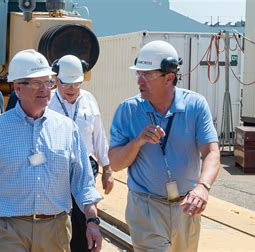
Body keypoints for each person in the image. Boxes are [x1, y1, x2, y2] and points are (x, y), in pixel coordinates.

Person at [0, 49, 103, 252]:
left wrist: (92, 221)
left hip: (55, 232)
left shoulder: (67, 129)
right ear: (18, 88)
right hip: (8, 230)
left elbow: (84, 183)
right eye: (36, 83)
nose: (45, 89)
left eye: (47, 82)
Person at [108, 40, 220, 252]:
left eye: (147, 75)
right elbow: (114, 163)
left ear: (169, 77)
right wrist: (138, 141)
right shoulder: (128, 110)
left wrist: (202, 187)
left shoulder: (195, 106)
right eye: (138, 74)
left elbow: (212, 152)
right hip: (145, 208)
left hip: (186, 208)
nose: (140, 81)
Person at [48, 54, 114, 252]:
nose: (71, 89)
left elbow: (99, 135)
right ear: (57, 80)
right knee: (57, 215)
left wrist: (107, 169)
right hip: (56, 168)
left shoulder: (89, 100)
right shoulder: (47, 102)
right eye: (66, 84)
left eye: (76, 84)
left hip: (86, 166)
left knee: (83, 215)